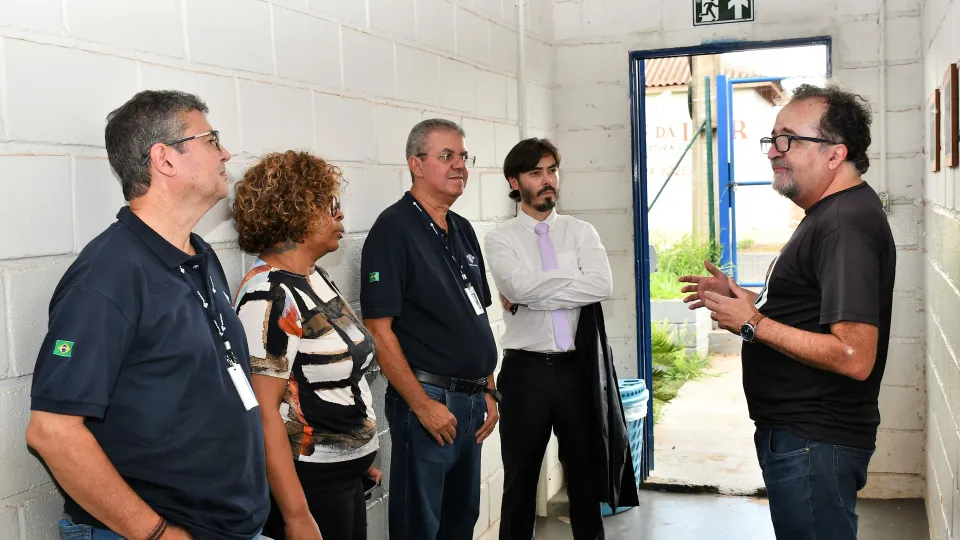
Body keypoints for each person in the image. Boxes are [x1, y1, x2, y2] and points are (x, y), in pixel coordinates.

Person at [25, 90, 269, 540]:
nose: (226, 152)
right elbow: (52, 431)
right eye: (211, 139)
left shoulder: (199, 255)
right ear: (165, 159)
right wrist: (157, 534)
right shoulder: (108, 276)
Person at [681, 84, 896, 539]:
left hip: (815, 441)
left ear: (836, 154)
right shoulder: (830, 213)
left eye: (789, 140)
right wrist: (748, 300)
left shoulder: (843, 225)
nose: (774, 152)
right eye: (772, 140)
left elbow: (855, 357)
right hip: (804, 438)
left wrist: (752, 323)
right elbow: (807, 307)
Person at [485, 138, 637, 540]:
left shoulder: (580, 231)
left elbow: (601, 285)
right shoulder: (501, 238)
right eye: (536, 172)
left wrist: (534, 292)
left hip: (576, 370)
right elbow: (518, 288)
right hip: (525, 373)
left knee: (586, 484)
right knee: (519, 484)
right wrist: (567, 282)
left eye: (552, 170)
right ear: (514, 182)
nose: (548, 180)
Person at [359, 119, 499, 539]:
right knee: (420, 527)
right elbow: (379, 332)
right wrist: (422, 407)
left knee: (460, 523)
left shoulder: (462, 229)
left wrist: (488, 387)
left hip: (471, 400)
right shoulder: (394, 229)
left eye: (463, 156)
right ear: (415, 164)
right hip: (429, 403)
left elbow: (476, 320)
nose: (460, 166)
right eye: (446, 156)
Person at [232, 150, 382, 540]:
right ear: (292, 214)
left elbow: (337, 374)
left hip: (343, 475)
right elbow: (264, 416)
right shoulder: (268, 295)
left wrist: (355, 447)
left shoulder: (316, 277)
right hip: (308, 485)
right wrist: (297, 516)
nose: (340, 215)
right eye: (327, 205)